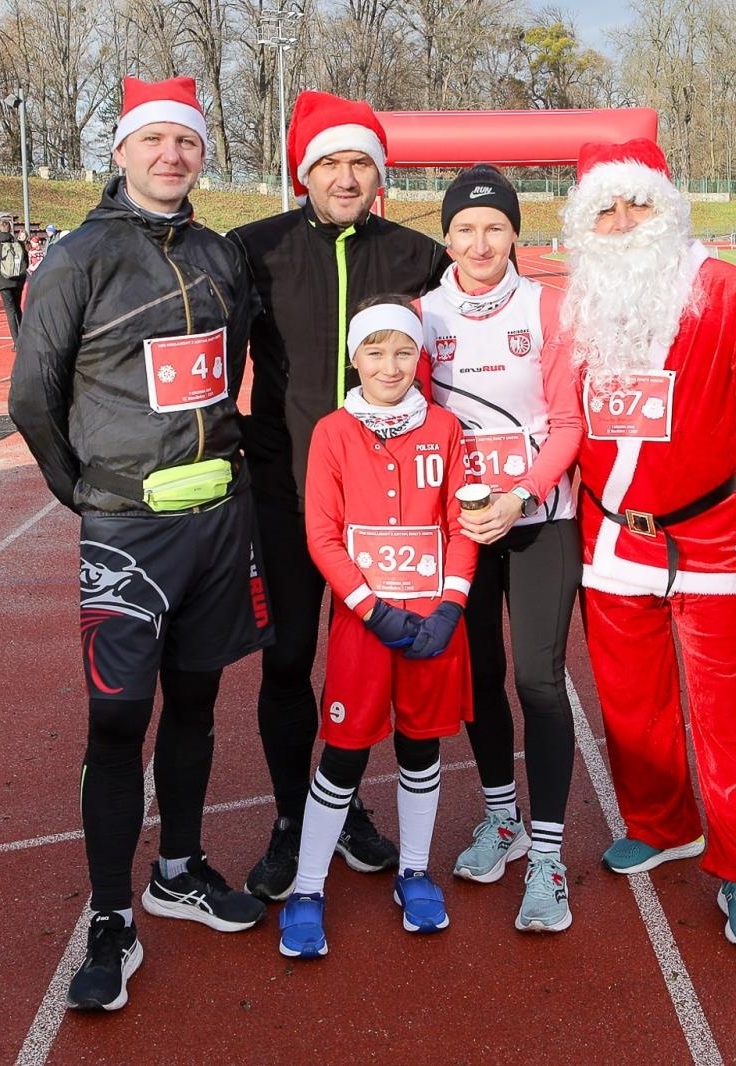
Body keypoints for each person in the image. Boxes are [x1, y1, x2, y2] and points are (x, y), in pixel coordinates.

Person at [9, 74, 271, 1013]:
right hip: (127, 528)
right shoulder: (78, 256)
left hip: (217, 523)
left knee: (197, 706)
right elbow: (31, 398)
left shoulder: (218, 253)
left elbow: (229, 365)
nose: (172, 155)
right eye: (153, 140)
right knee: (118, 719)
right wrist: (81, 492)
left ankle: (180, 869)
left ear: (202, 154)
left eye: (187, 142)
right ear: (120, 152)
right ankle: (112, 915)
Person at [558, 139, 736, 947]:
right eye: (605, 208)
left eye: (638, 204)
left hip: (710, 537)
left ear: (668, 207)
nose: (624, 222)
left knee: (724, 717)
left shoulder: (727, 292)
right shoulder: (576, 302)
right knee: (630, 706)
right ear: (584, 224)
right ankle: (661, 823)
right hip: (609, 537)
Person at [228, 90, 448, 902]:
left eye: (361, 162)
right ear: (303, 173)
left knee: (374, 663)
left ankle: (347, 809)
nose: (346, 176)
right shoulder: (255, 249)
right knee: (288, 659)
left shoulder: (419, 254)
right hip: (288, 494)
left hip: (391, 511)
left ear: (378, 174)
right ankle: (294, 818)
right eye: (330, 162)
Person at [278, 296, 476, 959]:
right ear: (353, 357)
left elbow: (463, 521)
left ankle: (414, 873)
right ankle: (308, 889)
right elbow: (321, 535)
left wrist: (451, 606)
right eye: (374, 351)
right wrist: (372, 608)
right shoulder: (334, 431)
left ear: (418, 357)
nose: (389, 366)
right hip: (364, 629)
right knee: (343, 754)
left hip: (433, 627)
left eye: (402, 352)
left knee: (421, 750)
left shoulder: (446, 428)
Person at [416, 164, 585, 931]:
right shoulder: (423, 315)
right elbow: (416, 419)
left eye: (493, 227)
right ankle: (502, 819)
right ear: (445, 237)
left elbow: (569, 424)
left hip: (542, 516)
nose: (479, 242)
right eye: (464, 229)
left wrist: (521, 494)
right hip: (464, 523)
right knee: (479, 676)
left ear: (515, 232)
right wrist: (458, 507)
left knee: (539, 681)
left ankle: (547, 855)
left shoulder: (549, 306)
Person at [0, 220, 29, 339]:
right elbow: (25, 260)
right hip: (18, 280)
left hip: (4, 281)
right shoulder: (18, 244)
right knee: (18, 309)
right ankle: (24, 338)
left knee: (10, 311)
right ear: (10, 230)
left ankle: (16, 341)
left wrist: (1, 271)